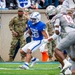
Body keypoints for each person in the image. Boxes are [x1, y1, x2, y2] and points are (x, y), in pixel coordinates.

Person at [47, 8, 75, 74]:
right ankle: (68, 70)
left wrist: (58, 33)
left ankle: (65, 63)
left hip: (69, 35)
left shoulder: (58, 17)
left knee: (57, 50)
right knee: (72, 57)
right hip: (72, 34)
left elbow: (57, 31)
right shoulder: (68, 17)